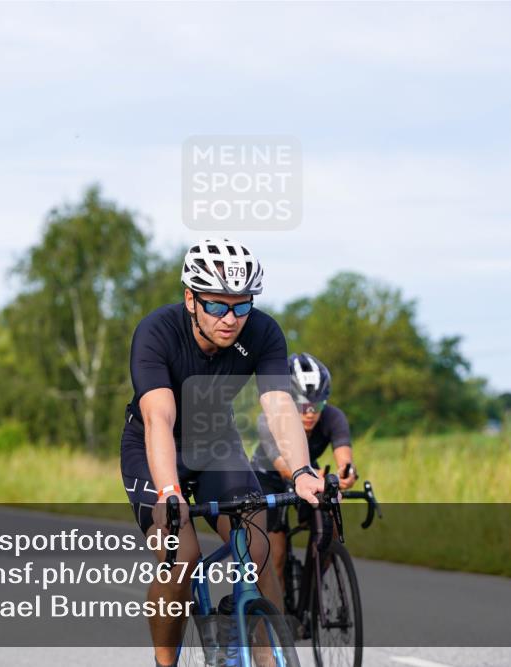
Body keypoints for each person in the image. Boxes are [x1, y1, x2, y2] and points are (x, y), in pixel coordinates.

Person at [120, 238, 326, 667]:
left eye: (241, 305)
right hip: (156, 448)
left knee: (258, 549)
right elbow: (159, 418)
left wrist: (303, 471)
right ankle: (165, 662)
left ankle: (268, 658)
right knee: (183, 557)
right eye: (217, 306)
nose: (231, 319)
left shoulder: (264, 332)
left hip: (216, 443)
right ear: (190, 299)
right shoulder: (156, 333)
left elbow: (278, 405)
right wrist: (169, 493)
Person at [251, 352, 358, 600]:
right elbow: (285, 468)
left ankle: (312, 589)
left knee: (329, 528)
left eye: (317, 405)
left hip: (310, 473)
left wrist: (346, 474)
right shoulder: (268, 419)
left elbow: (345, 458)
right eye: (302, 405)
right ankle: (279, 619)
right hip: (270, 476)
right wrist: (314, 476)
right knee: (274, 555)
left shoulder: (334, 417)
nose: (310, 413)